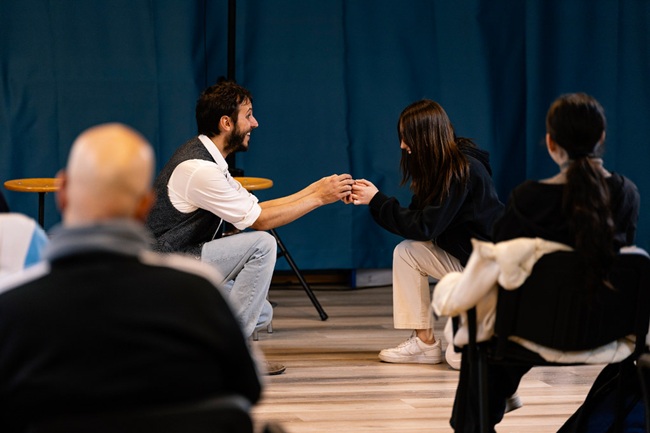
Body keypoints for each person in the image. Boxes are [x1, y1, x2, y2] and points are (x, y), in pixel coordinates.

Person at [0, 124, 262, 433]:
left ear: (64, 193)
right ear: (145, 206)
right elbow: (247, 390)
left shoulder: (11, 309)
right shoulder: (200, 294)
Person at [448, 92, 640, 432]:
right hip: (609, 333)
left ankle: (475, 425)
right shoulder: (626, 195)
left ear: (551, 143)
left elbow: (498, 266)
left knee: (482, 343)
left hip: (534, 331)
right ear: (601, 138)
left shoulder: (528, 199)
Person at [146, 79, 353, 362]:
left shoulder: (211, 160)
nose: (255, 123)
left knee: (262, 311)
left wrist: (316, 189)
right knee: (263, 245)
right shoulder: (200, 170)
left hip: (184, 260)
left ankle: (187, 339)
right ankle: (232, 356)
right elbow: (260, 220)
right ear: (226, 123)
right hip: (164, 269)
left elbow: (256, 208)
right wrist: (319, 198)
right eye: (248, 115)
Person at [349, 99, 504, 366]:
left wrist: (377, 200)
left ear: (425, 136)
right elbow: (417, 221)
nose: (402, 145)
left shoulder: (462, 170)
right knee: (407, 252)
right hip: (469, 265)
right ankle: (424, 343)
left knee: (459, 360)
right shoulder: (440, 168)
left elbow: (424, 227)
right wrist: (373, 201)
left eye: (407, 137)